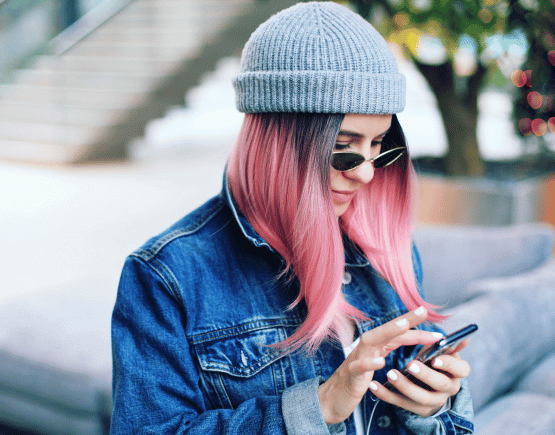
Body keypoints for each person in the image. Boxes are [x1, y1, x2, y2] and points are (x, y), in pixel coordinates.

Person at [110, 2, 474, 434]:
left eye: (379, 144)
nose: (366, 173)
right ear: (280, 144)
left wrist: (430, 411)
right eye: (345, 146)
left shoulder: (386, 249)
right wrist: (318, 407)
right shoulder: (168, 276)